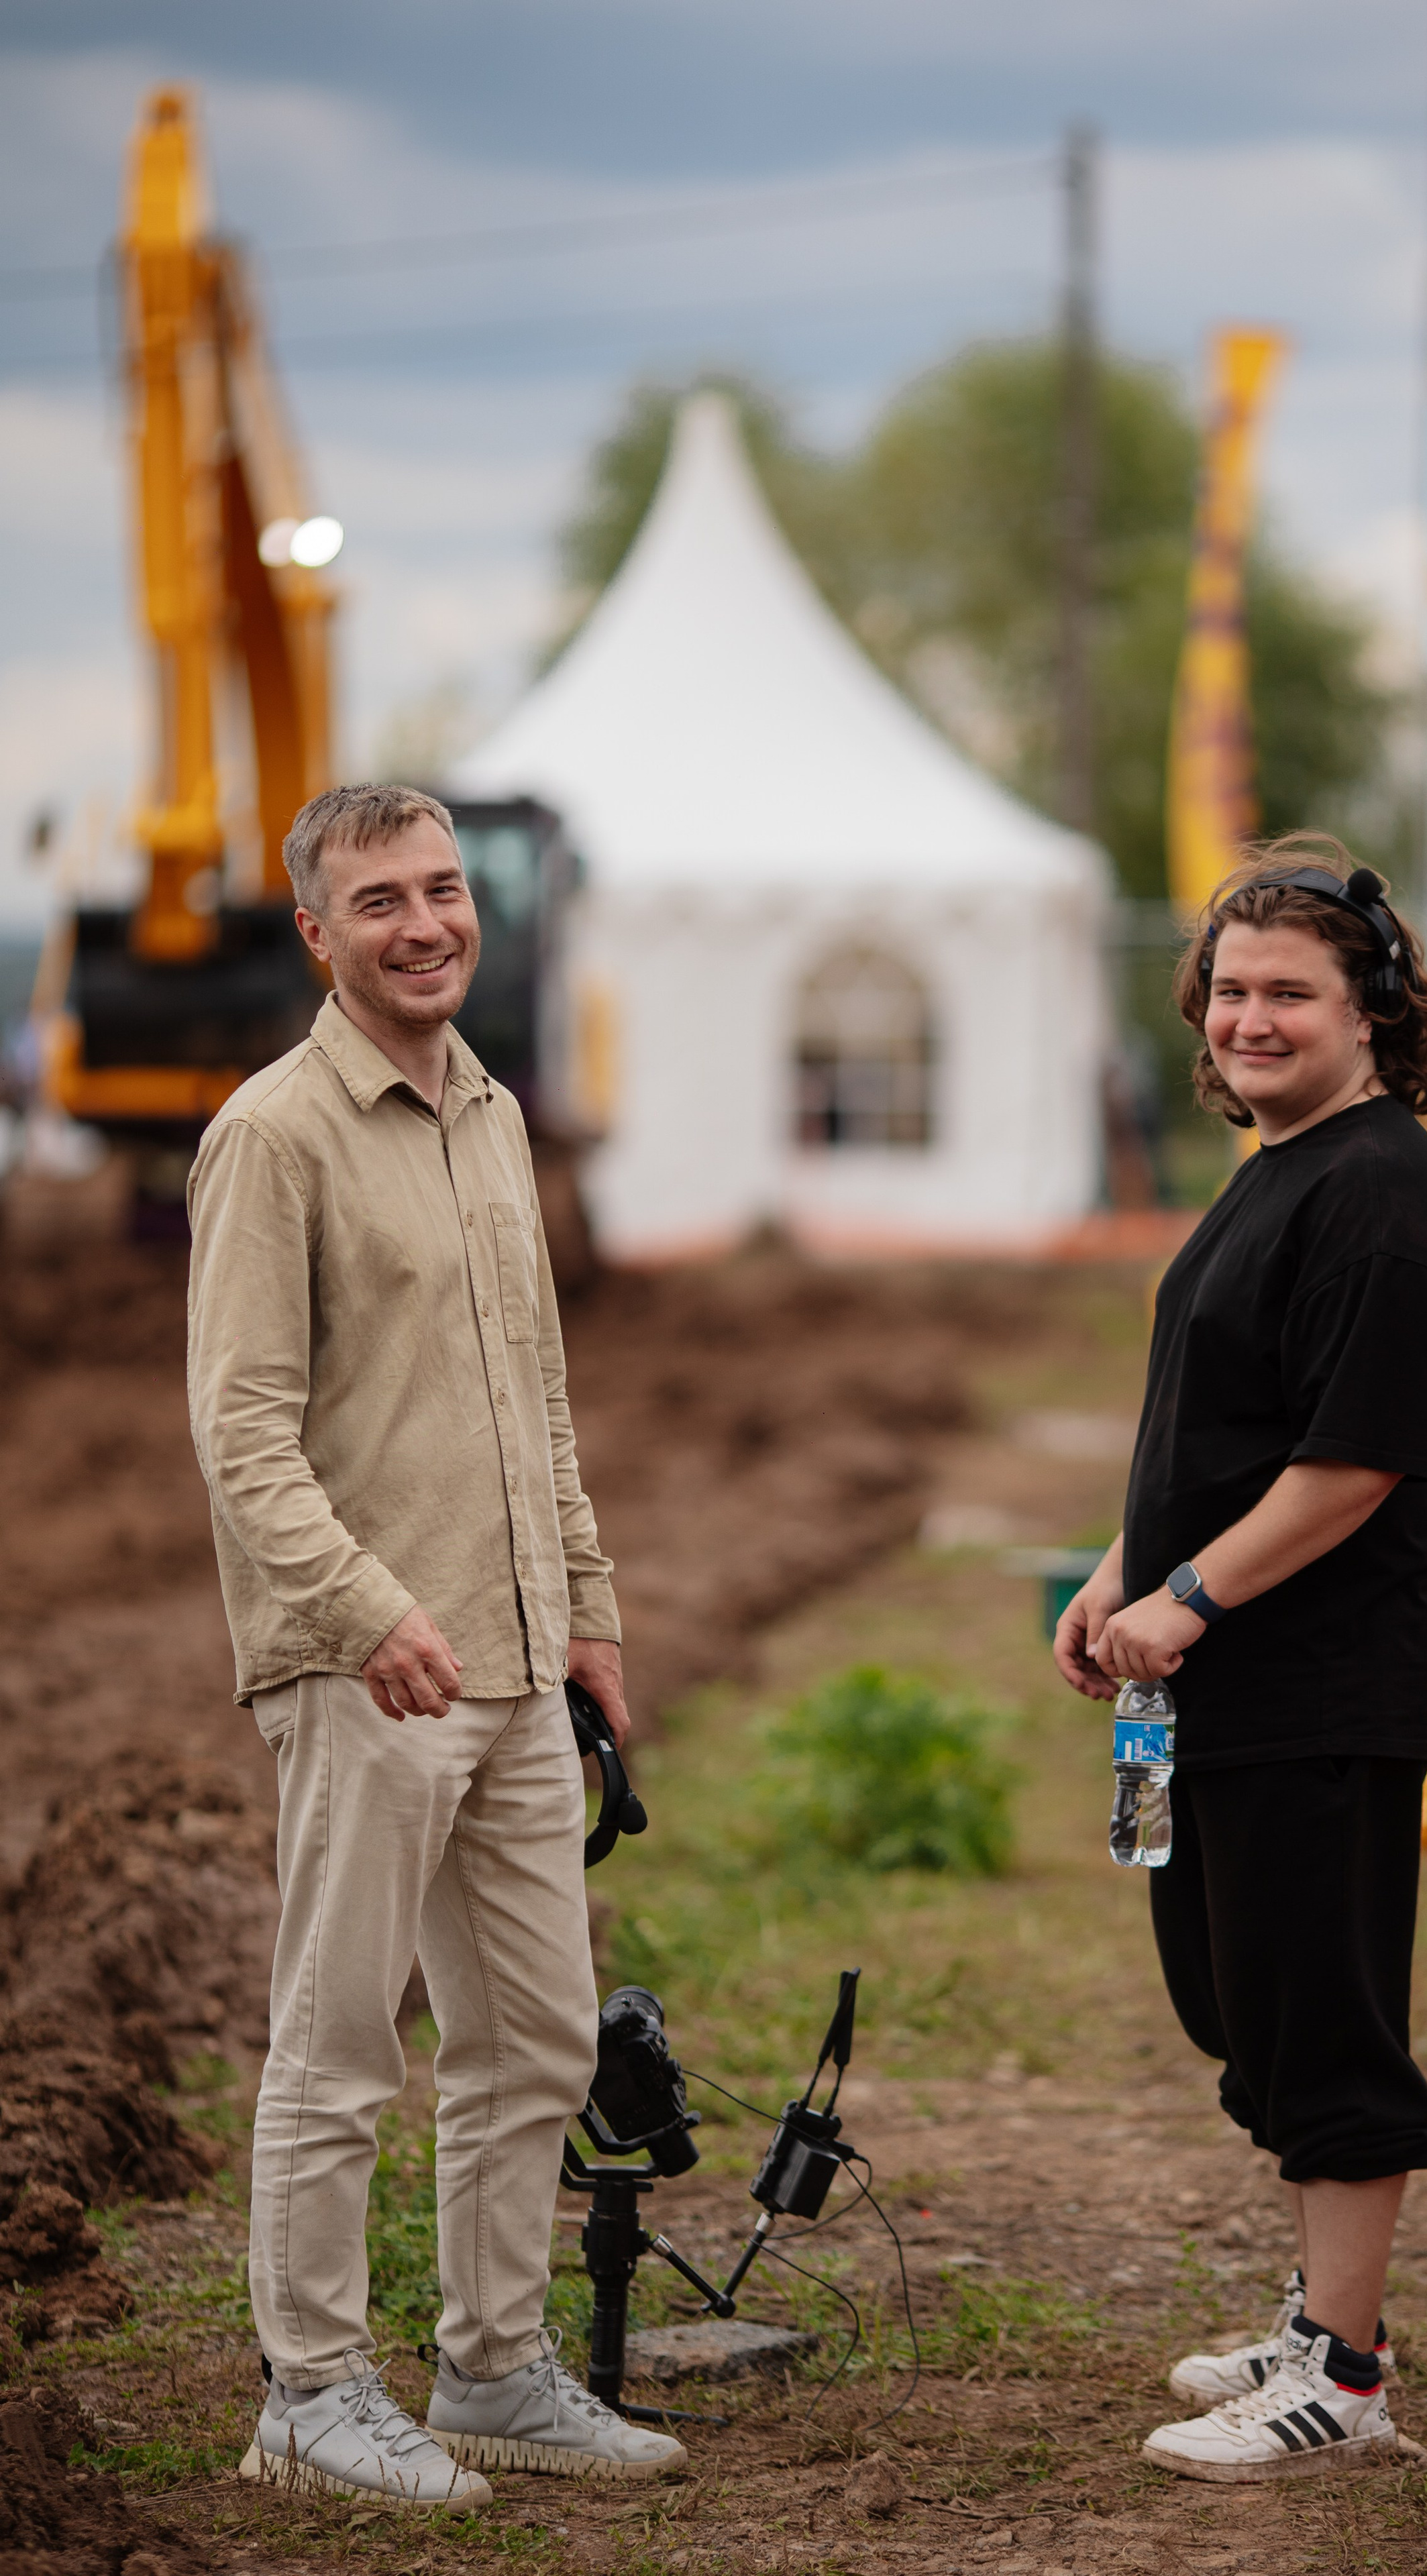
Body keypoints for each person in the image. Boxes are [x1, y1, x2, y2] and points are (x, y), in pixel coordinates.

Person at [187, 783, 686, 2508]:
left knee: (536, 2037)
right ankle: (309, 2394)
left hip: (516, 1657)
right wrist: (362, 1610)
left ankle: (490, 2367)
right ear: (318, 936)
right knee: (339, 2048)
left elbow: (536, 1404)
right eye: (379, 901)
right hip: (367, 1667)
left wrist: (589, 1607)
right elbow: (242, 1436)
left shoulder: (490, 1114)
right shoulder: (273, 1135)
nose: (426, 925)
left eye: (444, 891)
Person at [1054, 837, 1427, 2483]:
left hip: (1314, 1680)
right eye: (1227, 991)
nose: (1246, 1019)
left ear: (1369, 1009)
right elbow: (1216, 1431)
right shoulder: (1279, 1166)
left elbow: (1353, 1461)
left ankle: (1346, 2383)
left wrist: (1192, 1603)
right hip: (1217, 1676)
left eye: (1285, 993)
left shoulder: (1379, 1192)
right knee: (1236, 2000)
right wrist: (1117, 1578)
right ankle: (1317, 2319)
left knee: (1319, 2017)